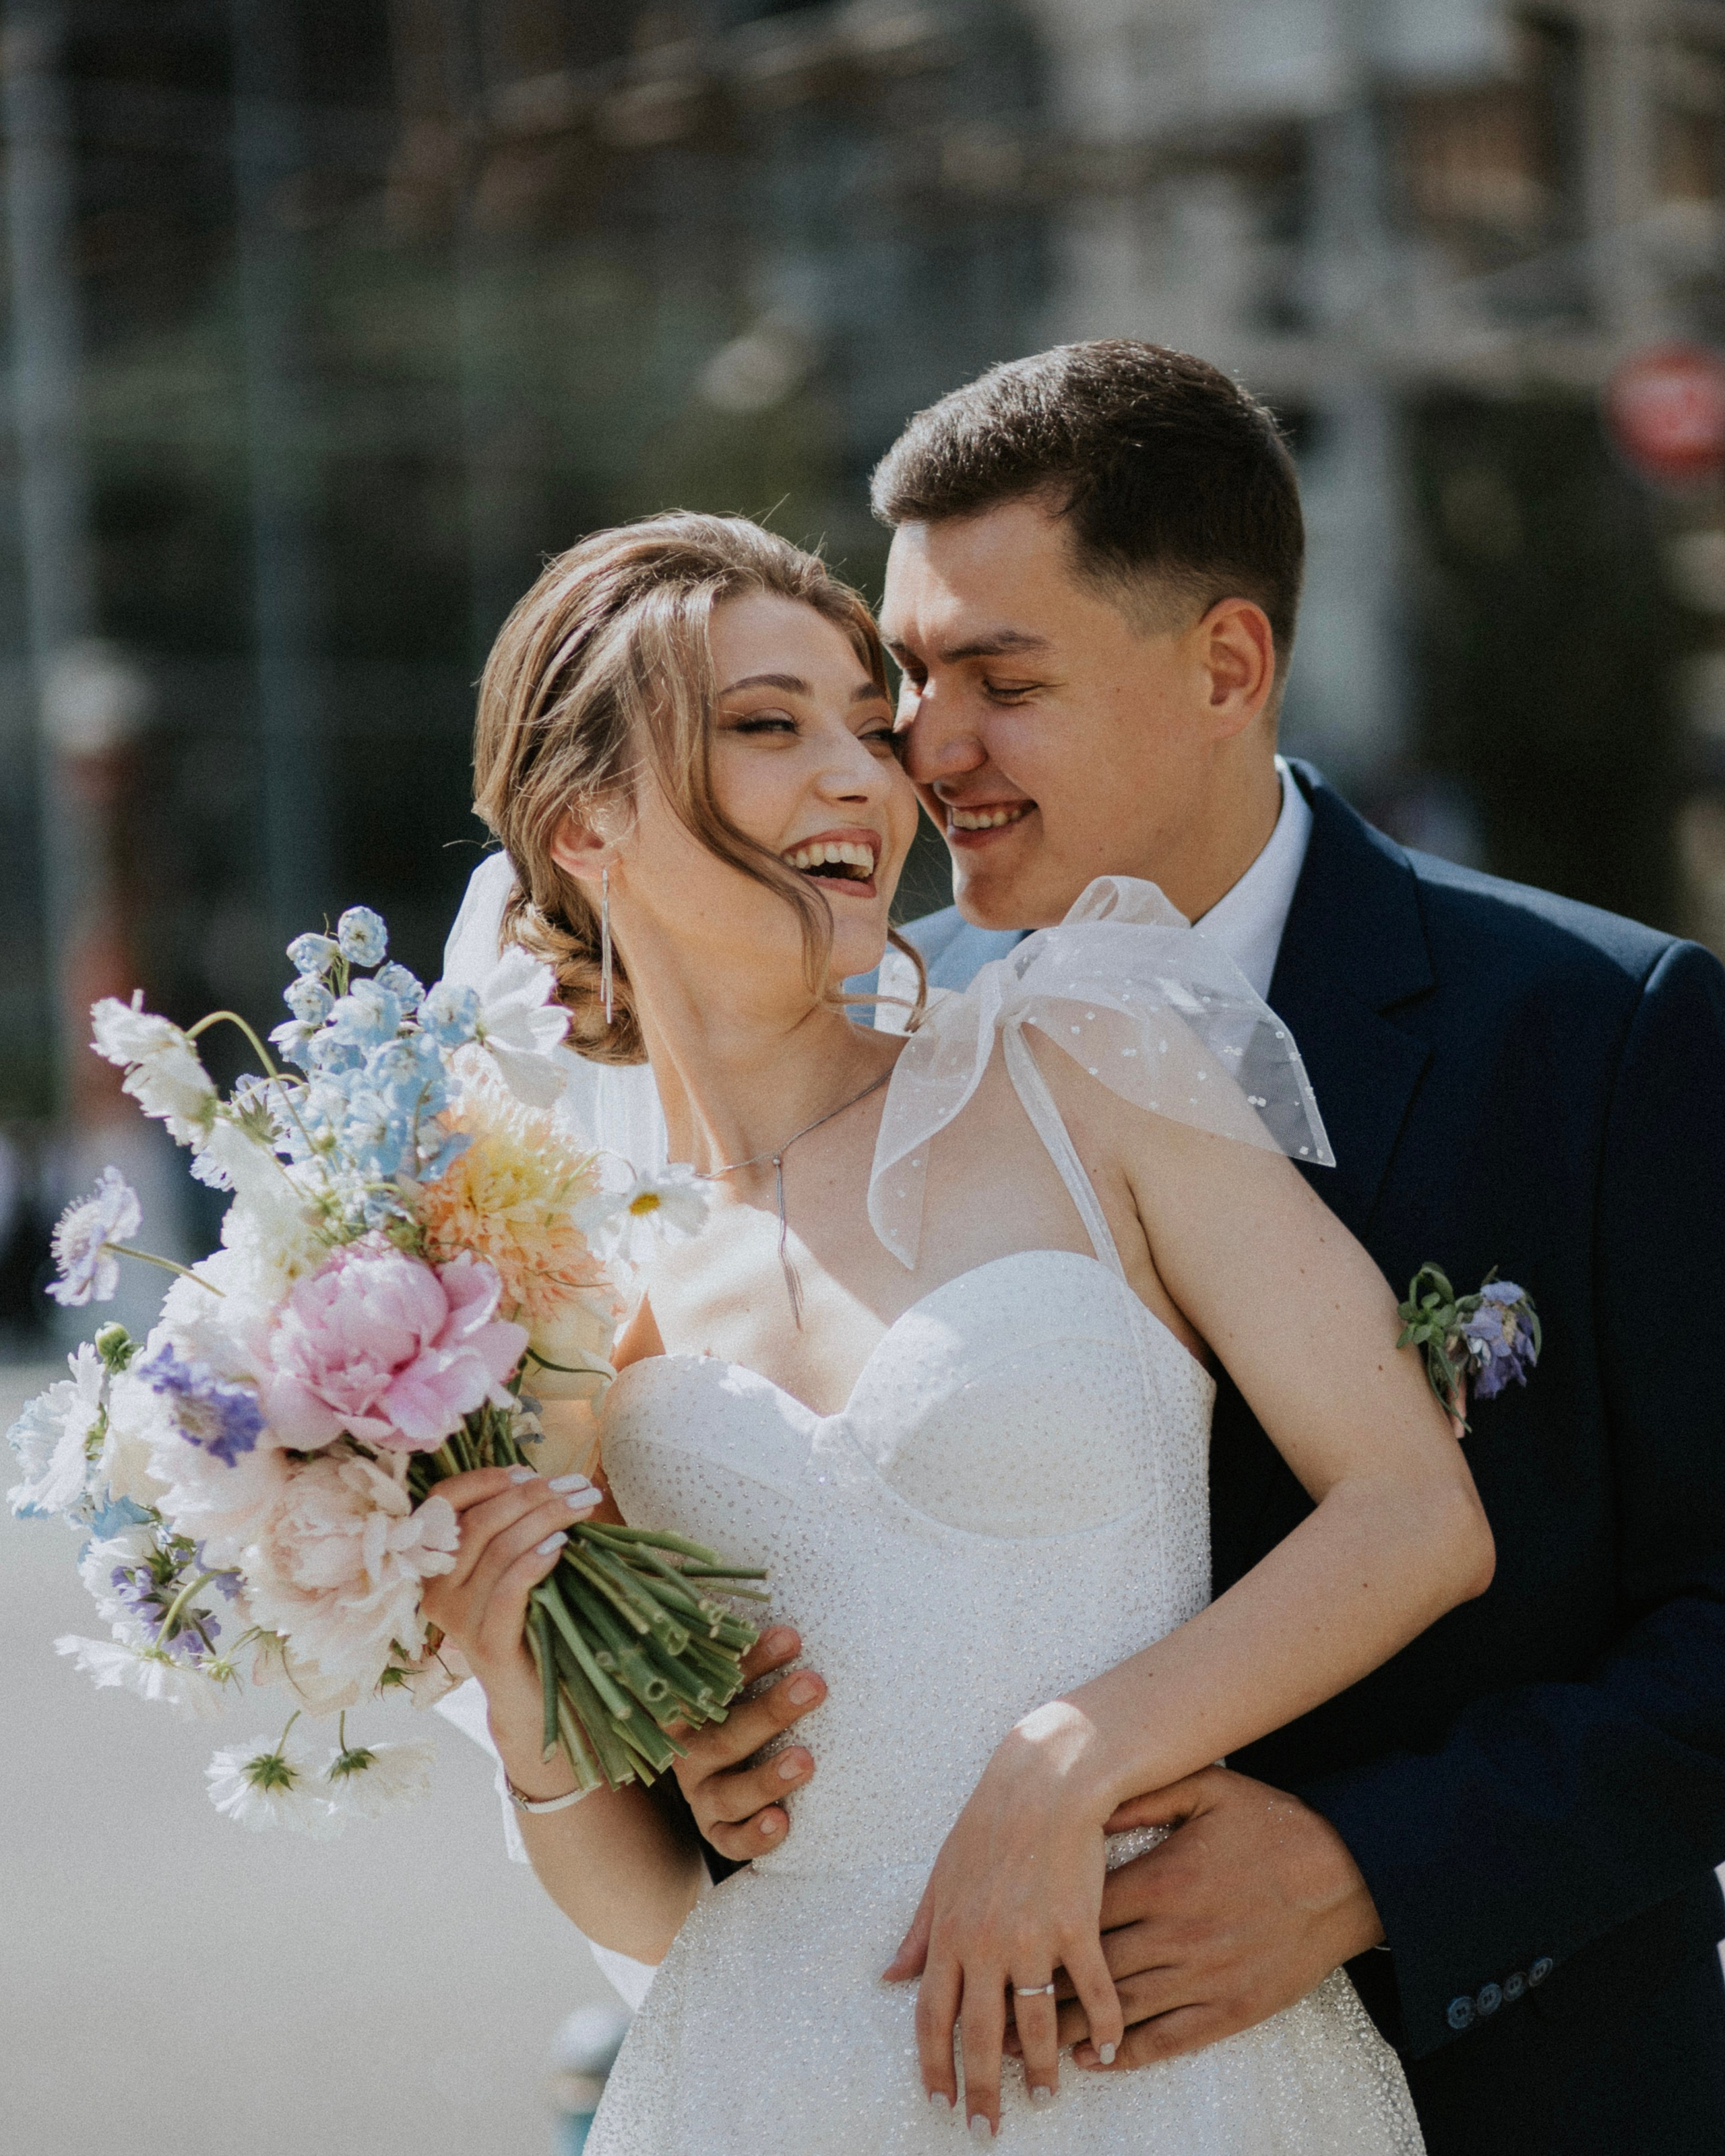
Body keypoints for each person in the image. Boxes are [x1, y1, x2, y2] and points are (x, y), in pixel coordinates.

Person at [669, 342, 1725, 2155]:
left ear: (1227, 665)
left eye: (1002, 681)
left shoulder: (1606, 1035)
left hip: (1516, 2094)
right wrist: (724, 1766)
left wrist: (1367, 1867)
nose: (924, 745)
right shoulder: (877, 1050)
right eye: (908, 674)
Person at [426, 510, 1493, 2153]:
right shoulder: (566, 1304)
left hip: (1158, 2067)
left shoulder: (1081, 1066)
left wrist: (1071, 1758)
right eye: (767, 725)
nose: (862, 778)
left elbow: (1414, 1513)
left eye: (869, 726)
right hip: (772, 2084)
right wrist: (519, 1704)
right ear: (584, 824)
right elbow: (654, 1918)